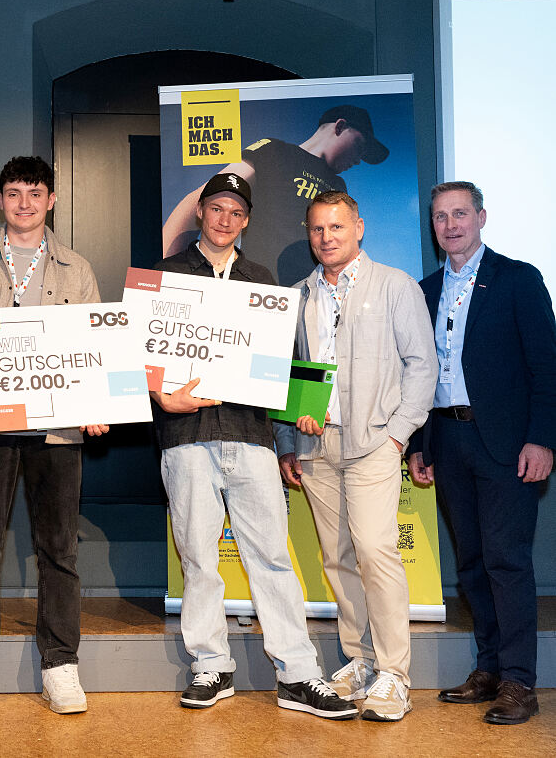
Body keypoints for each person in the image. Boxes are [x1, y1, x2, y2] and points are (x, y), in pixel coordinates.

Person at [152, 173, 356, 719]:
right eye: (216, 208)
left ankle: (298, 674)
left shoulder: (262, 281)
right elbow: (138, 355)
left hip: (251, 436)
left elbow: (283, 365)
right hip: (186, 438)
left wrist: (301, 414)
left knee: (271, 557)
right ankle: (211, 666)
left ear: (246, 221)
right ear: (201, 212)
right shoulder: (166, 276)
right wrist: (160, 395)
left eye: (236, 212)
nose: (225, 220)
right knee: (199, 558)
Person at [0, 155, 107, 717]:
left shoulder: (76, 268)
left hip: (57, 429)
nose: (24, 203)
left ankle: (61, 665)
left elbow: (96, 343)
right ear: (0, 199)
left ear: (51, 200)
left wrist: (97, 402)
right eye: (13, 193)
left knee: (59, 550)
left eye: (34, 193)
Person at [275, 190, 437, 722]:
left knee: (374, 551)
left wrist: (397, 436)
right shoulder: (298, 296)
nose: (327, 238)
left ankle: (394, 674)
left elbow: (422, 365)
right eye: (318, 229)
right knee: (338, 557)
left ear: (359, 228)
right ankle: (361, 660)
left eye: (337, 227)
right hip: (316, 446)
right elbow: (288, 374)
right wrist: (288, 438)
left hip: (374, 444)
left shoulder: (395, 285)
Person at [406, 181, 556, 725]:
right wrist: (419, 443)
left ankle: (519, 682)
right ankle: (489, 669)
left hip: (507, 446)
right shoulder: (423, 291)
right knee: (471, 564)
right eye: (441, 216)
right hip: (447, 441)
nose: (451, 225)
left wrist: (542, 439)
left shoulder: (517, 279)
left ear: (481, 217)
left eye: (460, 214)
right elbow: (415, 374)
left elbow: (547, 366)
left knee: (506, 561)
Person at [163, 105, 389, 284]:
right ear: (339, 127)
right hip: (258, 289)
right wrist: (170, 269)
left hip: (309, 296)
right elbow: (202, 198)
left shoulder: (338, 185)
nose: (359, 160)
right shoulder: (273, 151)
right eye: (360, 146)